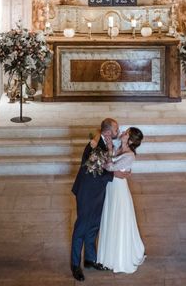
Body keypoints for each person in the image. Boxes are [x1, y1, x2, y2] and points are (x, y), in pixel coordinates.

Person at [70, 118, 129, 282]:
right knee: (81, 228)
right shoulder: (93, 146)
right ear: (109, 132)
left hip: (98, 192)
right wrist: (116, 174)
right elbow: (94, 171)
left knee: (94, 225)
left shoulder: (105, 142)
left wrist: (110, 151)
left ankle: (89, 259)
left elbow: (106, 163)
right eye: (116, 129)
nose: (118, 132)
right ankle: (75, 265)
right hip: (87, 193)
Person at [95, 127, 146, 273]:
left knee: (117, 219)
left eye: (126, 133)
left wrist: (109, 161)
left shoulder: (130, 156)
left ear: (129, 140)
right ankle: (107, 254)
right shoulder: (118, 147)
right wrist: (110, 153)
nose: (122, 133)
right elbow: (110, 167)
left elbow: (109, 167)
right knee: (110, 217)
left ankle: (119, 257)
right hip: (111, 187)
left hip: (119, 191)